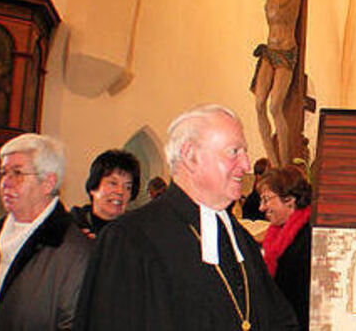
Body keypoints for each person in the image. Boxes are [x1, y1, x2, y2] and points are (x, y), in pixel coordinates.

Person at [74, 104, 299, 331]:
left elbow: (279, 319)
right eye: (234, 152)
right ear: (190, 155)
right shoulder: (130, 239)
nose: (246, 165)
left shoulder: (240, 239)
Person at [222, 0, 351, 167]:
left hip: (285, 52)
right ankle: (273, 162)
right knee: (259, 104)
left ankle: (284, 162)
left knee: (275, 107)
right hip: (269, 51)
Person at [0, 133, 92, 330]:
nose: (5, 183)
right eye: (2, 173)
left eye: (17, 173)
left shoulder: (76, 253)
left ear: (48, 183)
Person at [257, 166, 312, 331]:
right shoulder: (279, 233)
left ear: (289, 200)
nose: (261, 207)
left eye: (266, 199)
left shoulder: (307, 238)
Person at [70, 149, 141, 238]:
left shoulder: (136, 232)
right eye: (113, 183)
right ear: (93, 187)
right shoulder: (72, 228)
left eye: (127, 187)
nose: (120, 192)